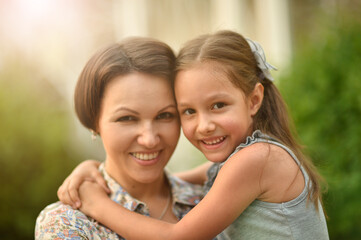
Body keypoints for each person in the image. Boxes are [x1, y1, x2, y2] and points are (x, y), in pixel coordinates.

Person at [58, 30, 329, 239]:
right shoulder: (244, 160)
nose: (204, 125)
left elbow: (178, 236)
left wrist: (95, 203)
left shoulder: (258, 159)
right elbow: (167, 182)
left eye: (218, 106)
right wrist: (92, 169)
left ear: (254, 100)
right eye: (188, 111)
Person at [34, 37, 206, 239]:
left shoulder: (210, 199)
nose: (149, 139)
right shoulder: (67, 222)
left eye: (165, 115)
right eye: (127, 118)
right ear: (94, 122)